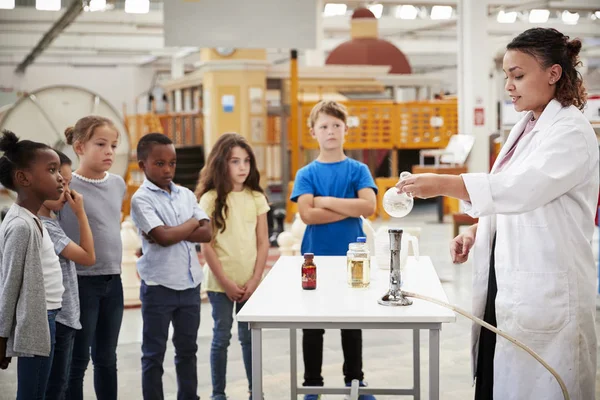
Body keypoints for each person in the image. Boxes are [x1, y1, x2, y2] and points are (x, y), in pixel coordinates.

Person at [396, 28, 598, 400]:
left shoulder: (571, 132)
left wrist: (443, 184)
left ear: (554, 74)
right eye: (507, 76)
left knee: (545, 384)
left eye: (518, 76)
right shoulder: (526, 126)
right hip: (505, 283)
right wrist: (477, 232)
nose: (509, 86)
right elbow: (507, 193)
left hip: (546, 289)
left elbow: (522, 190)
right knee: (496, 380)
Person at [290, 101, 377, 400]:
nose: (330, 131)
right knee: (312, 323)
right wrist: (349, 209)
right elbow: (307, 215)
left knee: (351, 321)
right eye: (324, 126)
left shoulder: (358, 169)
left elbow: (369, 206)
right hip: (315, 256)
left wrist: (323, 200)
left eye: (336, 126)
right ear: (313, 131)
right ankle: (312, 383)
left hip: (352, 257)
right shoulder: (306, 173)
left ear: (346, 130)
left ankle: (355, 380)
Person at [130, 133, 211, 400]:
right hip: (159, 287)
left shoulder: (186, 194)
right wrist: (189, 225)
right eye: (160, 163)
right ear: (143, 165)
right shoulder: (141, 199)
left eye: (172, 163)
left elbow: (207, 232)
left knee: (188, 351)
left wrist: (173, 231)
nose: (168, 169)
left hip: (189, 285)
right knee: (153, 354)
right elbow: (163, 239)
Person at [196, 133, 270, 400]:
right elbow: (207, 245)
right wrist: (226, 282)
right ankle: (218, 394)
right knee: (221, 338)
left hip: (251, 283)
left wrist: (255, 279)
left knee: (249, 339)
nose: (242, 167)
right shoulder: (210, 199)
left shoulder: (256, 198)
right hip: (220, 284)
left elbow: (263, 242)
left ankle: (255, 392)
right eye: (235, 161)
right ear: (220, 164)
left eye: (246, 161)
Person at [59, 116, 127, 400]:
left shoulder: (118, 183)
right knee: (77, 361)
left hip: (114, 281)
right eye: (101, 144)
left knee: (107, 358)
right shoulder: (65, 185)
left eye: (113, 145)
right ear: (79, 147)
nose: (109, 151)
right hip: (81, 282)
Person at [0, 130, 65, 399]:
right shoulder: (21, 226)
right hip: (36, 321)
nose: (60, 176)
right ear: (23, 178)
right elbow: (9, 283)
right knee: (33, 393)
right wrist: (2, 337)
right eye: (51, 170)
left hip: (46, 315)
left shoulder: (32, 218)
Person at [39, 150, 96, 400]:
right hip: (59, 320)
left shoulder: (50, 222)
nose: (68, 193)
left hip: (66, 317)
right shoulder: (47, 226)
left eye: (68, 184)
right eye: (61, 183)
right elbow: (88, 257)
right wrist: (80, 213)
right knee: (56, 387)